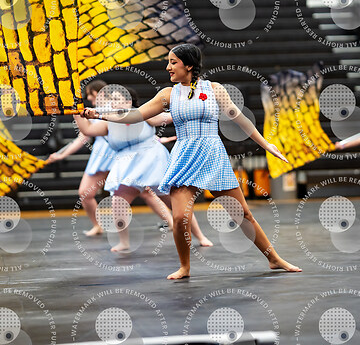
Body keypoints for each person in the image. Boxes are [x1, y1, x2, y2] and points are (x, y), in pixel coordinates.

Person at [81, 44, 302, 279]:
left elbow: (239, 118)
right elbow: (136, 115)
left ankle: (273, 258)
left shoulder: (214, 89)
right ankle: (184, 267)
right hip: (184, 157)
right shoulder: (168, 94)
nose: (168, 67)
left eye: (173, 62)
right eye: (168, 62)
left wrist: (266, 144)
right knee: (179, 218)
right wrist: (99, 114)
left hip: (213, 156)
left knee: (243, 214)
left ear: (188, 65)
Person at [74, 85, 213, 252]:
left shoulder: (143, 114)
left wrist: (192, 108)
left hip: (152, 160)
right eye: (111, 100)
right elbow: (87, 129)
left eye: (117, 99)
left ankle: (200, 236)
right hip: (127, 163)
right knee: (118, 201)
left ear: (128, 102)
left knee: (176, 203)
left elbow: (170, 117)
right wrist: (75, 111)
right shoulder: (108, 122)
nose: (113, 103)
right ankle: (124, 242)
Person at [48, 80, 116, 236]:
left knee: (145, 190)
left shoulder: (115, 108)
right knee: (85, 192)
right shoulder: (92, 113)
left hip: (116, 153)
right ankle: (98, 226)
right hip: (102, 155)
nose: (89, 99)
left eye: (90, 95)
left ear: (98, 93)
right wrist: (61, 155)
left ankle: (171, 220)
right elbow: (83, 137)